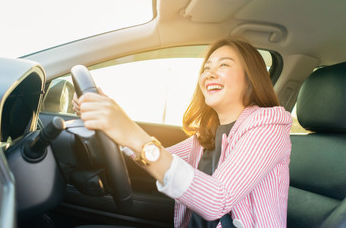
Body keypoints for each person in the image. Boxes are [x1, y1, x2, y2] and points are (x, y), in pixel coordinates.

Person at [73, 37, 292, 228]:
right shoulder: (207, 135)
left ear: (250, 78)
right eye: (206, 68)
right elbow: (158, 159)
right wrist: (110, 122)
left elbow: (217, 199)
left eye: (223, 65)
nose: (210, 74)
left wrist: (131, 133)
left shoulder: (269, 126)